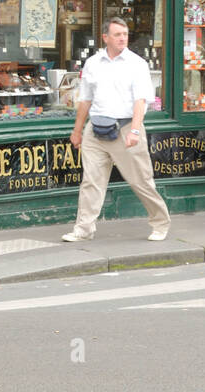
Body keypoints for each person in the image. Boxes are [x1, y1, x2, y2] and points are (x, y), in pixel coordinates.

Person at [64, 17, 170, 243]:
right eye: (117, 34)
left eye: (125, 34)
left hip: (125, 128)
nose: (123, 38)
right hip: (95, 130)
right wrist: (77, 130)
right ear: (105, 38)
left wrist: (134, 131)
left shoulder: (137, 64)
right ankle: (84, 228)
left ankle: (160, 223)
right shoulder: (92, 63)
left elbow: (140, 101)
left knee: (140, 181)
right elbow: (85, 100)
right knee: (91, 181)